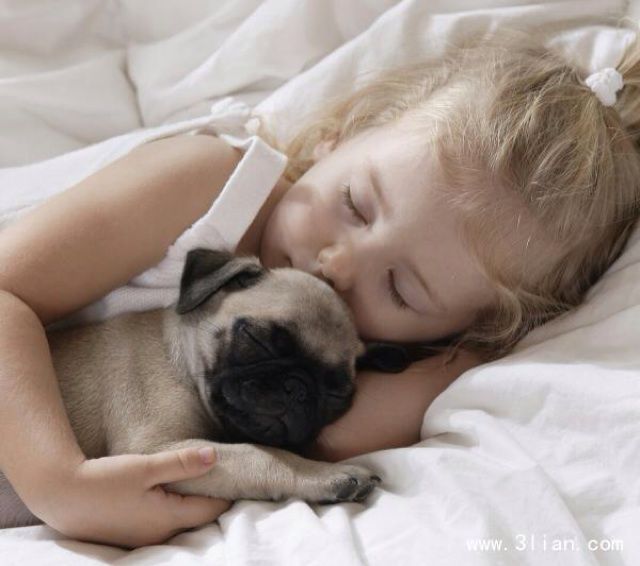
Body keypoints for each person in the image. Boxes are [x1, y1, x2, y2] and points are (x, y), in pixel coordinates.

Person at [1, 31, 640, 549]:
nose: (338, 265)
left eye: (401, 289)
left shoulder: (367, 352)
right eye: (356, 205)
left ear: (449, 329)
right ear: (341, 135)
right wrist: (59, 484)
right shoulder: (205, 184)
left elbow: (334, 444)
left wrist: (468, 354)